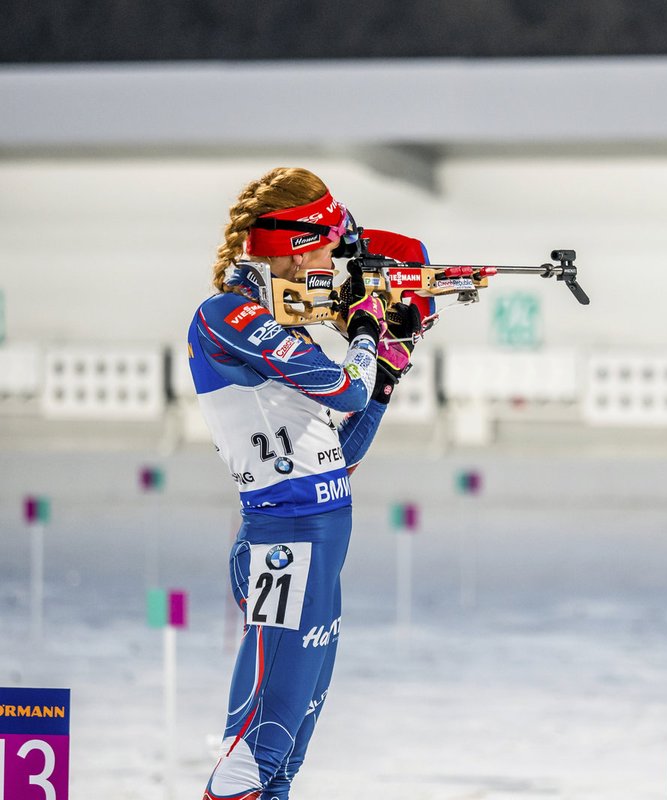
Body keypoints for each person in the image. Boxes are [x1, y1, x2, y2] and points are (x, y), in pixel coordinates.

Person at [187, 166, 425, 799]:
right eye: (324, 247)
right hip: (282, 543)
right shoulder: (224, 317)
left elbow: (337, 459)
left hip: (319, 542)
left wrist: (390, 369)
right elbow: (343, 383)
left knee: (283, 762)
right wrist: (367, 331)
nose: (331, 263)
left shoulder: (282, 324)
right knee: (252, 757)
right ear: (291, 245)